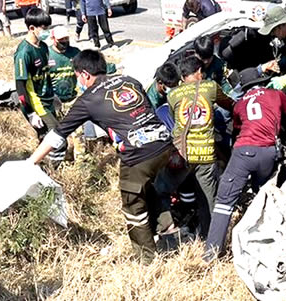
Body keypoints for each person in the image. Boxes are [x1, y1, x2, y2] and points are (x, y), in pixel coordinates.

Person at [27, 49, 176, 261]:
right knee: (150, 187)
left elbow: (58, 135)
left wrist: (31, 162)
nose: (78, 81)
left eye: (77, 76)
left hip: (137, 154)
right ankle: (169, 232)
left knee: (133, 205)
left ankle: (147, 260)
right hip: (164, 143)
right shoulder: (129, 80)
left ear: (85, 74)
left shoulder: (88, 99)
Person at [203, 67, 286, 261]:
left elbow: (236, 131)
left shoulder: (239, 104)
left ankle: (211, 253)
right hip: (270, 152)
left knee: (224, 202)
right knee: (264, 193)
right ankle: (270, 240)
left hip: (244, 152)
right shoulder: (277, 94)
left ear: (244, 87)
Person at [154, 56, 233, 238]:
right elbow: (228, 104)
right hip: (205, 154)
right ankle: (212, 243)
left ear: (182, 76)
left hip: (182, 154)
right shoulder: (211, 87)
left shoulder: (173, 95)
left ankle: (166, 228)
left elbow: (176, 120)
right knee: (207, 200)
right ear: (199, 72)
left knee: (160, 187)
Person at [14, 8, 67, 166]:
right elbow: (20, 87)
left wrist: (54, 96)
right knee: (57, 139)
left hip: (48, 99)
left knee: (47, 139)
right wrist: (31, 113)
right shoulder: (24, 53)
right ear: (32, 28)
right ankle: (52, 172)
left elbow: (45, 74)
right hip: (36, 104)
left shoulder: (43, 47)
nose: (47, 31)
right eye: (44, 28)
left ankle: (42, 168)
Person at [49, 25, 81, 103]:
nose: (64, 41)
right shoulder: (46, 54)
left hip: (73, 98)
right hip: (53, 99)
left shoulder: (75, 52)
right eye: (61, 39)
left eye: (66, 38)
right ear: (53, 39)